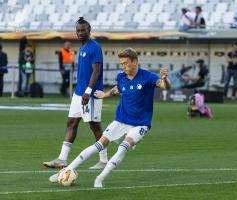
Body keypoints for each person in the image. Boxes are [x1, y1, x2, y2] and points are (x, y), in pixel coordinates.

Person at [49, 47, 171, 188]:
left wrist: (165, 79)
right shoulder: (121, 77)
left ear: (135, 61)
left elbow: (165, 86)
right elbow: (117, 89)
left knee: (122, 148)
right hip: (121, 120)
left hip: (140, 124)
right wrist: (104, 95)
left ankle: (99, 179)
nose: (123, 66)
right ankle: (66, 170)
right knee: (98, 145)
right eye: (121, 64)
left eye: (126, 63)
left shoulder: (148, 77)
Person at [43, 17, 108, 170]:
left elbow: (96, 71)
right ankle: (62, 159)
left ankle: (104, 160)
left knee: (94, 126)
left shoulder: (94, 47)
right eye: (77, 30)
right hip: (79, 93)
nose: (79, 33)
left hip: (90, 94)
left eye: (82, 30)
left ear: (89, 30)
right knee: (71, 122)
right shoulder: (82, 47)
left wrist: (88, 91)